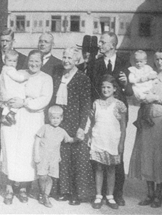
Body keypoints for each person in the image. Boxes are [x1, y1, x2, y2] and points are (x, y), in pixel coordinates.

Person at [128, 47, 162, 208]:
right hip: (146, 118)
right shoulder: (148, 74)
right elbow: (137, 93)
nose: (159, 62)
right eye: (156, 59)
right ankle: (149, 193)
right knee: (146, 156)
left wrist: (156, 97)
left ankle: (158, 194)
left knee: (159, 158)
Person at [0, 50, 53, 205]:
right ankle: (9, 187)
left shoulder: (46, 78)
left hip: (33, 118)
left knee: (28, 152)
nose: (34, 64)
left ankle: (24, 188)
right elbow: (6, 87)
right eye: (31, 61)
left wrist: (24, 103)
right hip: (14, 117)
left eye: (37, 61)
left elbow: (44, 99)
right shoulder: (19, 73)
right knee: (11, 150)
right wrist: (8, 103)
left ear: (42, 62)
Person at [87, 31, 133, 206]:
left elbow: (129, 92)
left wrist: (125, 83)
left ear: (113, 45)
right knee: (98, 152)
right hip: (100, 113)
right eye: (100, 41)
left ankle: (116, 193)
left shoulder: (124, 63)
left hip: (118, 112)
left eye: (103, 42)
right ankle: (99, 193)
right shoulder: (95, 64)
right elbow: (91, 89)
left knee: (117, 151)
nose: (100, 45)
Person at [52, 47, 95, 205]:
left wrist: (82, 127)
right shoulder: (58, 75)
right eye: (64, 57)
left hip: (75, 122)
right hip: (60, 122)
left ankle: (78, 193)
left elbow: (85, 105)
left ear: (77, 61)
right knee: (62, 158)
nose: (66, 60)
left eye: (70, 58)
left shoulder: (82, 78)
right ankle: (64, 191)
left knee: (78, 159)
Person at [86, 75, 127, 210]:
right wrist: (90, 137)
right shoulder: (96, 103)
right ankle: (98, 195)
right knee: (98, 168)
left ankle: (110, 196)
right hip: (98, 139)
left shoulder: (119, 104)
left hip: (112, 141)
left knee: (111, 169)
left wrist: (121, 143)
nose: (105, 89)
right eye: (103, 87)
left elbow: (123, 127)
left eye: (108, 87)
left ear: (115, 89)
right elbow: (92, 123)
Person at [0, 29, 27, 162]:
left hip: (14, 105)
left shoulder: (21, 58)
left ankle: (13, 177)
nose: (4, 44)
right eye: (2, 41)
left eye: (7, 41)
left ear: (13, 41)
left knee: (13, 138)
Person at [34, 105, 76, 208]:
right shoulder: (45, 127)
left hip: (54, 158)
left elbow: (69, 140)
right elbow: (37, 140)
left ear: (61, 118)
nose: (55, 120)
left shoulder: (62, 131)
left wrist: (79, 138)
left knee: (50, 177)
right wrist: (36, 154)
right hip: (43, 156)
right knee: (42, 176)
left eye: (58, 118)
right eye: (53, 118)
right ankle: (42, 193)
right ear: (49, 118)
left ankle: (46, 196)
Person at [0, 49, 29, 126]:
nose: (12, 63)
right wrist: (25, 77)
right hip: (10, 92)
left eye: (14, 61)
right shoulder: (10, 69)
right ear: (5, 60)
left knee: (7, 105)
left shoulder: (4, 68)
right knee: (18, 99)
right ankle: (12, 113)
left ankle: (3, 116)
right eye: (10, 61)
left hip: (4, 92)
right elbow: (17, 77)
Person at [129, 50, 157, 127]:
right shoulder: (133, 70)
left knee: (145, 104)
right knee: (146, 102)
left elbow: (153, 74)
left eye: (141, 62)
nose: (138, 64)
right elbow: (131, 79)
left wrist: (154, 77)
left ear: (145, 61)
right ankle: (146, 117)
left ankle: (139, 119)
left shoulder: (148, 68)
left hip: (147, 86)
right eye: (137, 62)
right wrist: (140, 79)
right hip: (139, 88)